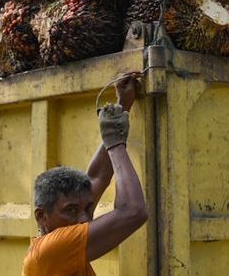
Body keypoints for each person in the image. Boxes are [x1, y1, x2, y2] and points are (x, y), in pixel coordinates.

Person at [22, 73, 148, 276]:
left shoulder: (61, 246)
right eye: (71, 210)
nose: (83, 219)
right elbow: (134, 211)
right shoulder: (51, 251)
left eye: (88, 208)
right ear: (41, 217)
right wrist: (116, 144)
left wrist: (122, 106)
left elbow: (97, 177)